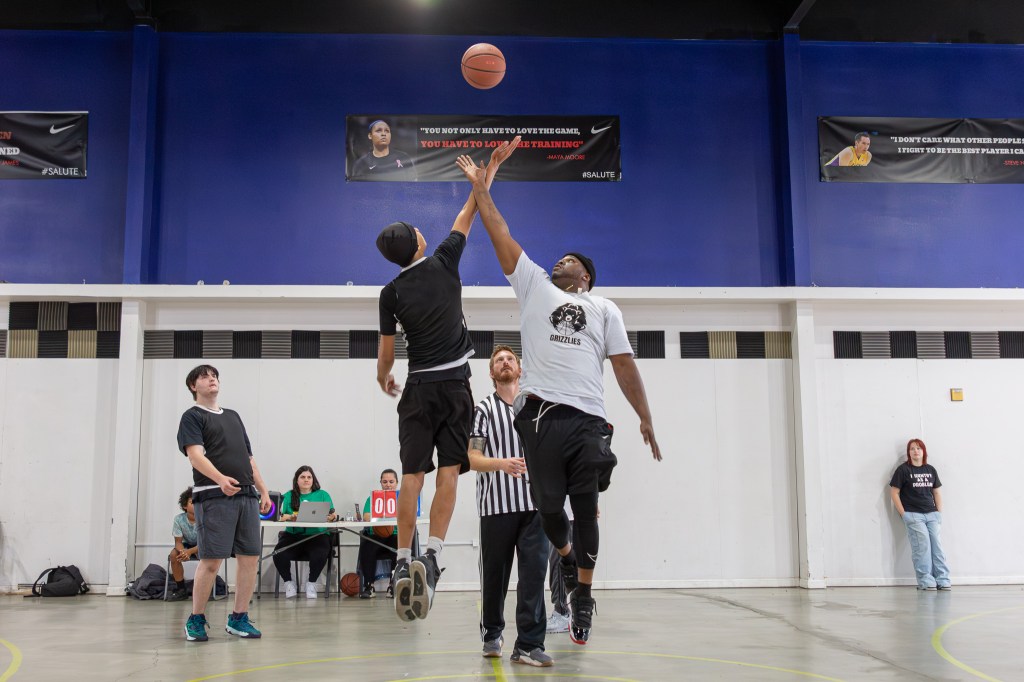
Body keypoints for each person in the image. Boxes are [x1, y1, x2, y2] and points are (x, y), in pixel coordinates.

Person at [456, 148, 663, 646]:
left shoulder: (603, 308)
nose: (560, 262)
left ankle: (584, 597)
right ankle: (569, 565)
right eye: (559, 259)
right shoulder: (533, 287)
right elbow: (499, 231)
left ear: (585, 277)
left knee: (585, 510)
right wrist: (485, 184)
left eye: (570, 261)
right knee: (551, 513)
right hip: (540, 418)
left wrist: (645, 416)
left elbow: (624, 364)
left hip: (588, 419)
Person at [375, 137, 518, 622]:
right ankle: (432, 555)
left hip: (415, 389)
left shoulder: (389, 292)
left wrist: (384, 379)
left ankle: (399, 561)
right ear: (418, 242)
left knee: (410, 477)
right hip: (455, 386)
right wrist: (488, 172)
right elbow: (474, 207)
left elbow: (386, 357)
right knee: (450, 471)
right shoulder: (443, 259)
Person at [469, 345, 552, 667]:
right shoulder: (484, 409)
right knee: (495, 576)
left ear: (520, 368)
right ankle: (492, 634)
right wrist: (501, 463)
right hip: (496, 508)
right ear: (492, 373)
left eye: (510, 359)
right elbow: (473, 458)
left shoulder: (537, 407)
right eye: (498, 361)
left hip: (535, 507)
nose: (505, 363)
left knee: (533, 576)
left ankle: (529, 644)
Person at [177, 364, 272, 642]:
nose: (212, 379)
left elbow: (249, 458)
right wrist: (220, 479)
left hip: (246, 496)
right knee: (211, 561)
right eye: (205, 377)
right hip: (214, 496)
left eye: (214, 376)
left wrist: (263, 490)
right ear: (194, 386)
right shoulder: (192, 417)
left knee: (249, 558)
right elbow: (195, 456)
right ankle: (196, 619)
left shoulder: (233, 416)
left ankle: (238, 618)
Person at [889, 438, 951, 591]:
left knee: (937, 547)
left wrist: (938, 512)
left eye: (918, 448)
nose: (916, 451)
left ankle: (943, 580)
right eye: (912, 449)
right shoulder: (903, 470)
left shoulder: (930, 469)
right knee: (922, 547)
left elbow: (936, 492)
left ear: (923, 451)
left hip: (932, 515)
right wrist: (904, 514)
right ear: (909, 453)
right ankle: (926, 581)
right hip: (913, 515)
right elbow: (894, 493)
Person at [273, 465, 338, 599]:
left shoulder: (322, 495)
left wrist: (332, 517)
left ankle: (311, 583)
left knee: (320, 553)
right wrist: (291, 517)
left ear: (313, 480)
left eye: (309, 477)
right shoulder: (289, 495)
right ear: (297, 480)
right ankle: (288, 583)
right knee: (278, 554)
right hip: (293, 536)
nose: (306, 480)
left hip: (317, 535)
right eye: (302, 477)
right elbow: (278, 516)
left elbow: (332, 514)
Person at [356, 468, 400, 599]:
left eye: (391, 481)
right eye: (385, 481)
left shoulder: (403, 498)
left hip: (396, 534)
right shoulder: (373, 497)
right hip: (376, 534)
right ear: (380, 482)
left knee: (401, 548)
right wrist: (389, 516)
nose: (388, 484)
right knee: (367, 546)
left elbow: (409, 516)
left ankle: (393, 585)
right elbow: (366, 516)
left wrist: (381, 516)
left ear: (397, 482)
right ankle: (369, 586)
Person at [351, 119, 416, 180]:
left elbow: (413, 184)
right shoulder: (361, 164)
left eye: (387, 131)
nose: (383, 134)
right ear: (370, 136)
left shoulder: (404, 158)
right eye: (378, 131)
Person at [167, 487, 199, 601]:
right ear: (185, 506)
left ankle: (205, 588)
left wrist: (190, 552)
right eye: (192, 502)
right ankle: (181, 589)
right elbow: (178, 542)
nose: (196, 504)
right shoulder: (179, 519)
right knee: (173, 555)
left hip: (202, 546)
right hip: (185, 545)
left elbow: (206, 542)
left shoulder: (206, 518)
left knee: (208, 555)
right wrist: (183, 553)